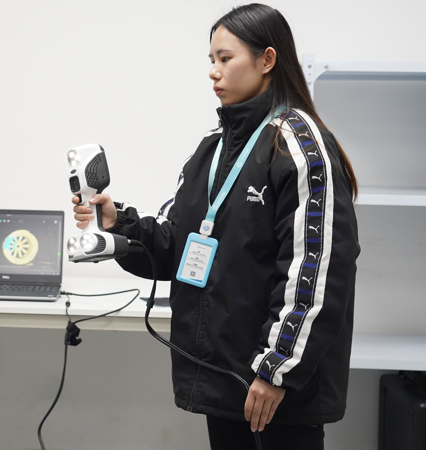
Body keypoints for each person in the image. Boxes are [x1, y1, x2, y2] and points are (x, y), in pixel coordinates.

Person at [72, 4, 359, 449]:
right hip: (225, 378)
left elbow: (317, 270)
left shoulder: (298, 145)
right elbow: (178, 247)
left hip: (275, 389)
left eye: (226, 58)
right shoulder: (213, 148)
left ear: (267, 60)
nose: (213, 72)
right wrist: (118, 223)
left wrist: (275, 369)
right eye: (211, 60)